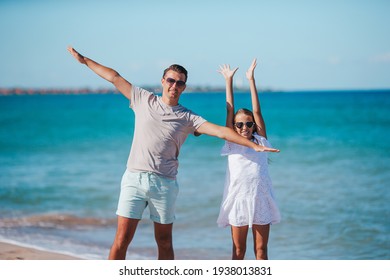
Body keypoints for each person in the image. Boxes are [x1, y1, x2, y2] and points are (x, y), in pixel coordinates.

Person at [67, 47, 280, 260]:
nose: (174, 86)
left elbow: (220, 131)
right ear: (162, 81)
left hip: (165, 184)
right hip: (134, 178)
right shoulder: (143, 99)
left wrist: (254, 145)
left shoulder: (188, 118)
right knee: (122, 240)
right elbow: (114, 77)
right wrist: (85, 60)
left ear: (184, 87)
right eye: (170, 80)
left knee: (165, 243)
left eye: (179, 83)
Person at [216, 59, 281, 260]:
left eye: (248, 124)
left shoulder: (261, 140)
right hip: (238, 201)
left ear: (254, 125)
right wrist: (229, 81)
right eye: (239, 124)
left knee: (261, 251)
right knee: (238, 251)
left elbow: (258, 111)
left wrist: (251, 79)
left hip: (260, 199)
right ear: (234, 127)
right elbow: (229, 109)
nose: (244, 127)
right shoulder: (231, 142)